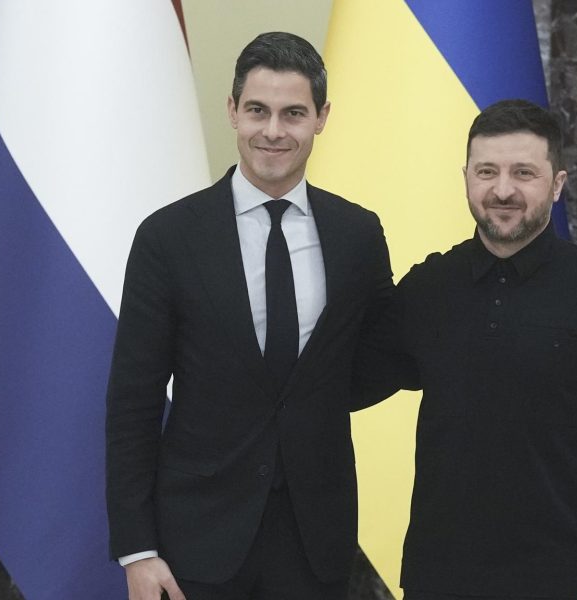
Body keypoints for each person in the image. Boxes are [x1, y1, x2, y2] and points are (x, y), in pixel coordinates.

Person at [106, 32, 392, 600]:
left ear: (321, 118)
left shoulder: (358, 235)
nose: (274, 131)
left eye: (294, 113)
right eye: (258, 110)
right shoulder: (169, 237)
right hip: (196, 545)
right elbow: (133, 399)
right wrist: (138, 550)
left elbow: (370, 365)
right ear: (233, 111)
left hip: (316, 546)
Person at [355, 99, 577, 600]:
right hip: (439, 581)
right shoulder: (428, 289)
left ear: (558, 184)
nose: (502, 190)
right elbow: (342, 386)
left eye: (524, 172)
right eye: (487, 171)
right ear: (466, 178)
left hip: (570, 583)